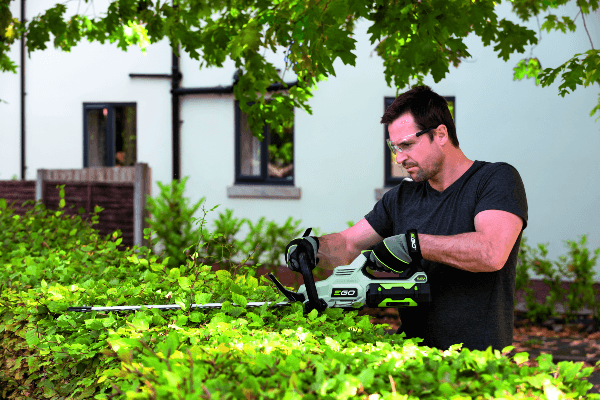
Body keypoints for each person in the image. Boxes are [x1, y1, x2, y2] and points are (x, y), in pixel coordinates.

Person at [285, 85, 528, 352]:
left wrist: (412, 244)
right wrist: (313, 247)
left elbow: (491, 252)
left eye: (407, 145)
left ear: (441, 134)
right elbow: (347, 244)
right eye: (394, 147)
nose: (399, 158)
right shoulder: (401, 197)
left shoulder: (495, 180)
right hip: (411, 358)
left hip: (479, 361)